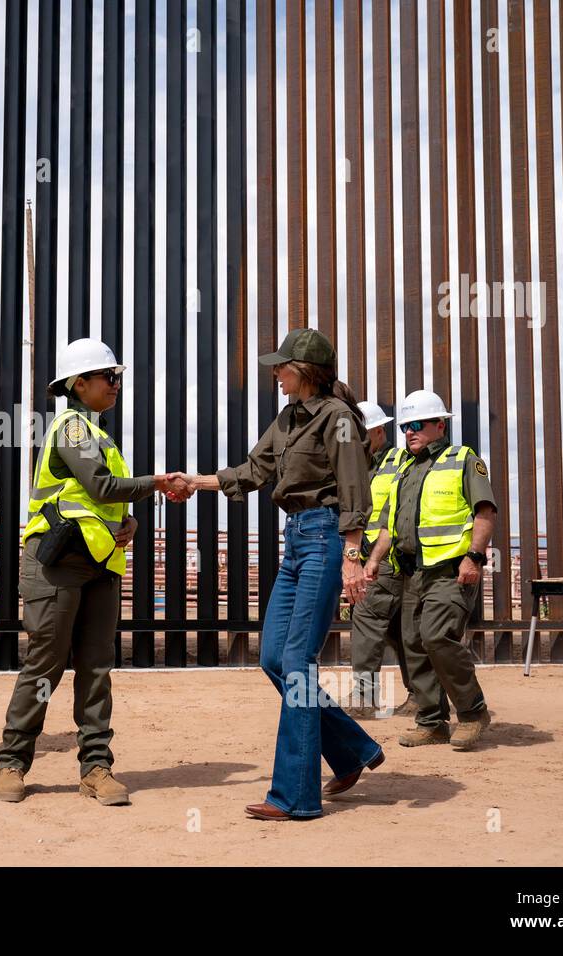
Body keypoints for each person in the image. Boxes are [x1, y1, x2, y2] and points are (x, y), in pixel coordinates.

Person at [189, 328, 384, 820]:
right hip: (296, 539)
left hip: (325, 537)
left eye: (281, 366)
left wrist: (353, 556)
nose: (274, 373)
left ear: (305, 372)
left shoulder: (338, 418)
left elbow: (354, 486)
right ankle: (353, 747)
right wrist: (195, 482)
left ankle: (295, 796)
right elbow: (254, 470)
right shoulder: (288, 418)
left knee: (297, 661)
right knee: (275, 656)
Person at [0, 338, 192, 806]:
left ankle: (96, 767)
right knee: (45, 663)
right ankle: (13, 762)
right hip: (57, 564)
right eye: (109, 376)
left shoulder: (99, 433)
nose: (116, 384)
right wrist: (158, 483)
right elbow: (101, 486)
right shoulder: (72, 427)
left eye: (117, 376)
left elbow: (108, 500)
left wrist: (130, 521)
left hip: (99, 563)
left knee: (97, 667)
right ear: (79, 383)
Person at [364, 389, 497, 751]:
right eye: (406, 425)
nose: (410, 431)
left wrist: (475, 557)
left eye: (418, 424)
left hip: (450, 570)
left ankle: (472, 712)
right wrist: (375, 559)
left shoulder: (463, 459)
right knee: (413, 645)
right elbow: (391, 525)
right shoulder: (404, 468)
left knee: (437, 637)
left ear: (441, 425)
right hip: (411, 572)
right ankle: (432, 722)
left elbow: (485, 512)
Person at [342, 400, 416, 718]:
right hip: (375, 557)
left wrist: (371, 558)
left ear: (377, 430)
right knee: (402, 631)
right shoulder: (363, 465)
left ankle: (363, 697)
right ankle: (422, 696)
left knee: (366, 620)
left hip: (386, 557)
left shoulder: (401, 461)